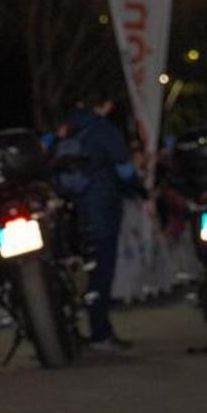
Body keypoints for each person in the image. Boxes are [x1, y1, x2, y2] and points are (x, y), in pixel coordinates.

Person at [60, 93, 139, 352]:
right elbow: (124, 168)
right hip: (100, 209)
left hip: (68, 214)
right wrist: (137, 190)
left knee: (69, 273)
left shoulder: (65, 127)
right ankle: (100, 332)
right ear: (106, 103)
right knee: (101, 273)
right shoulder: (103, 129)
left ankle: (65, 330)